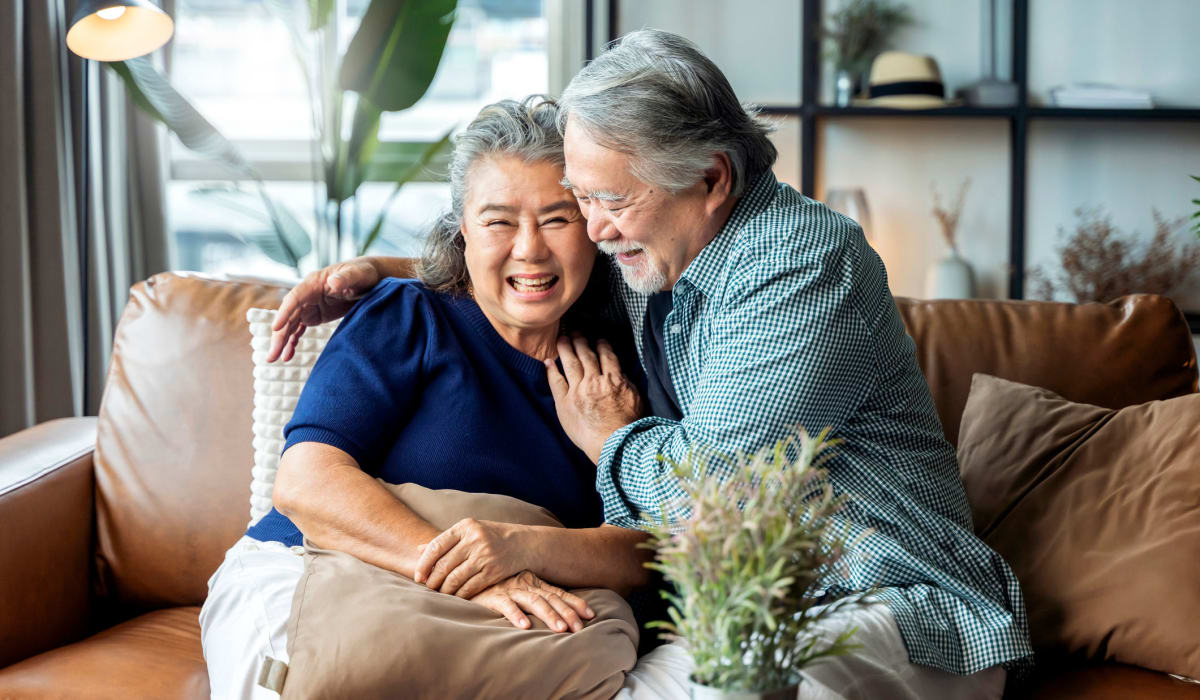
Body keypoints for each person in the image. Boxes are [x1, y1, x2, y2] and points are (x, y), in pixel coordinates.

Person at [279, 30, 1035, 699]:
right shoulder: (656, 248)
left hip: (885, 599)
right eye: (582, 199)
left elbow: (712, 497)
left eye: (606, 202)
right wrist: (387, 271)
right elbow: (527, 260)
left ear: (710, 180)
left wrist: (613, 440)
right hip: (745, 604)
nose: (595, 229)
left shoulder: (799, 263)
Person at [199, 96, 656, 699]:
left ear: (595, 226)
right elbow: (305, 482)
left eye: (557, 218)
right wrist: (468, 572)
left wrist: (605, 453)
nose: (530, 249)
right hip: (322, 565)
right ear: (461, 230)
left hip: (517, 610)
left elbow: (655, 552)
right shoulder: (410, 313)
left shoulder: (620, 369)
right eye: (498, 221)